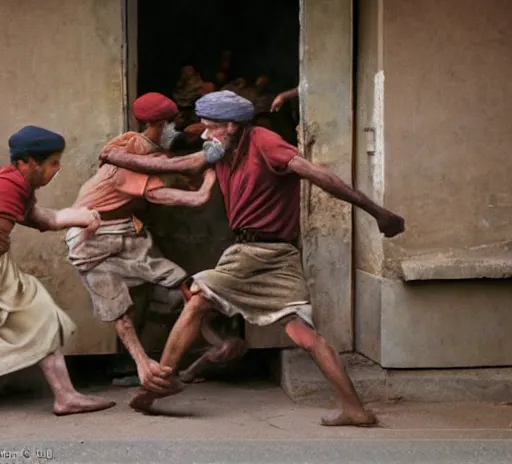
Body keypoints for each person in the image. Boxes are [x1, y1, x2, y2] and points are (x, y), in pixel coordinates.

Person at [102, 91, 405, 426]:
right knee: (303, 333)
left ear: (233, 125)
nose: (205, 134)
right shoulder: (223, 146)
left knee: (198, 298)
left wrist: (377, 212)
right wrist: (120, 155)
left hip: (257, 253)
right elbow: (182, 159)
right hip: (275, 254)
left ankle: (156, 387)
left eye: (211, 127)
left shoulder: (265, 142)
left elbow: (321, 177)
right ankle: (355, 409)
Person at [65, 93, 218, 398]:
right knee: (118, 310)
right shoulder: (130, 149)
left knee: (181, 283)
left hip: (128, 234)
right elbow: (157, 193)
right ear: (159, 123)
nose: (179, 126)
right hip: (92, 239)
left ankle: (212, 344)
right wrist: (204, 188)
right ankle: (144, 367)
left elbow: (163, 165)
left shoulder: (146, 147)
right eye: (174, 121)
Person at [0, 125, 115, 415]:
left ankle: (65, 396)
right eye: (52, 163)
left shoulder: (17, 185)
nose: (58, 169)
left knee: (40, 313)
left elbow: (45, 218)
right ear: (27, 163)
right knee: (36, 311)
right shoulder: (9, 186)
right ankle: (65, 396)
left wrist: (82, 217)